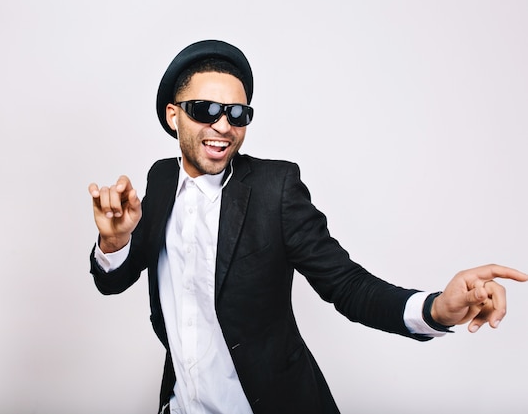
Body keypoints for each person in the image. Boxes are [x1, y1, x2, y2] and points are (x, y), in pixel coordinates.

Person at [87, 40, 527, 414]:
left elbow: (347, 285)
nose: (223, 125)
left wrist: (434, 309)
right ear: (173, 116)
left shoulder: (275, 189)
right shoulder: (161, 180)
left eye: (237, 114)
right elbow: (114, 282)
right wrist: (115, 240)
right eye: (206, 110)